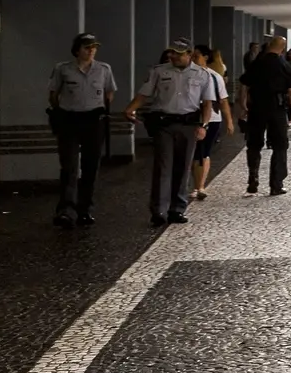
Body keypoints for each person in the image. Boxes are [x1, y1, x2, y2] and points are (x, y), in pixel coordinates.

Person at [123, 39, 229, 227]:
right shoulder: (159, 71)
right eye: (171, 52)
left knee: (183, 167)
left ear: (189, 54)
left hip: (189, 125)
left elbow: (207, 104)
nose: (173, 56)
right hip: (164, 124)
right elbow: (144, 94)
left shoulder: (202, 74)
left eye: (179, 53)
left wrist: (203, 126)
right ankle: (159, 210)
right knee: (163, 167)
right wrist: (130, 109)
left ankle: (177, 209)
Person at [47, 32, 116, 227]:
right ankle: (66, 210)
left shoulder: (104, 69)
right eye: (87, 47)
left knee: (90, 166)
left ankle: (85, 209)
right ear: (77, 50)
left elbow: (109, 93)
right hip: (70, 119)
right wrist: (59, 112)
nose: (91, 51)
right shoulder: (63, 69)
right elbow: (53, 94)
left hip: (93, 120)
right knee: (69, 165)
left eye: (94, 47)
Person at [239, 34, 291, 194]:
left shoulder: (257, 62)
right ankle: (276, 184)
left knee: (254, 144)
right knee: (280, 146)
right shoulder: (284, 65)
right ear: (282, 48)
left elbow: (244, 84)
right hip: (276, 108)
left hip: (257, 108)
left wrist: (243, 105)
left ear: (270, 45)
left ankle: (253, 177)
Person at [189, 44, 232, 202]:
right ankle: (197, 185)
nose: (193, 58)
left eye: (196, 55)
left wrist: (229, 121)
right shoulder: (189, 75)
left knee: (203, 152)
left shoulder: (214, 76)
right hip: (190, 118)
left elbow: (223, 100)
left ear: (206, 57)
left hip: (212, 118)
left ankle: (199, 186)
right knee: (195, 153)